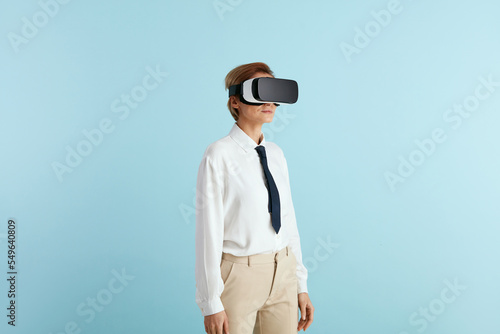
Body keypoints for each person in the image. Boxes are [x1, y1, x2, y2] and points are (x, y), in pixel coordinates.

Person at [195, 62, 314, 334]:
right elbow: (207, 232)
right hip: (240, 275)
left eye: (273, 93)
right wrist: (210, 302)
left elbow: (288, 219)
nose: (269, 102)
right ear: (235, 101)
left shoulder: (275, 153)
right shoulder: (218, 155)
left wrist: (300, 284)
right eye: (259, 92)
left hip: (282, 269)